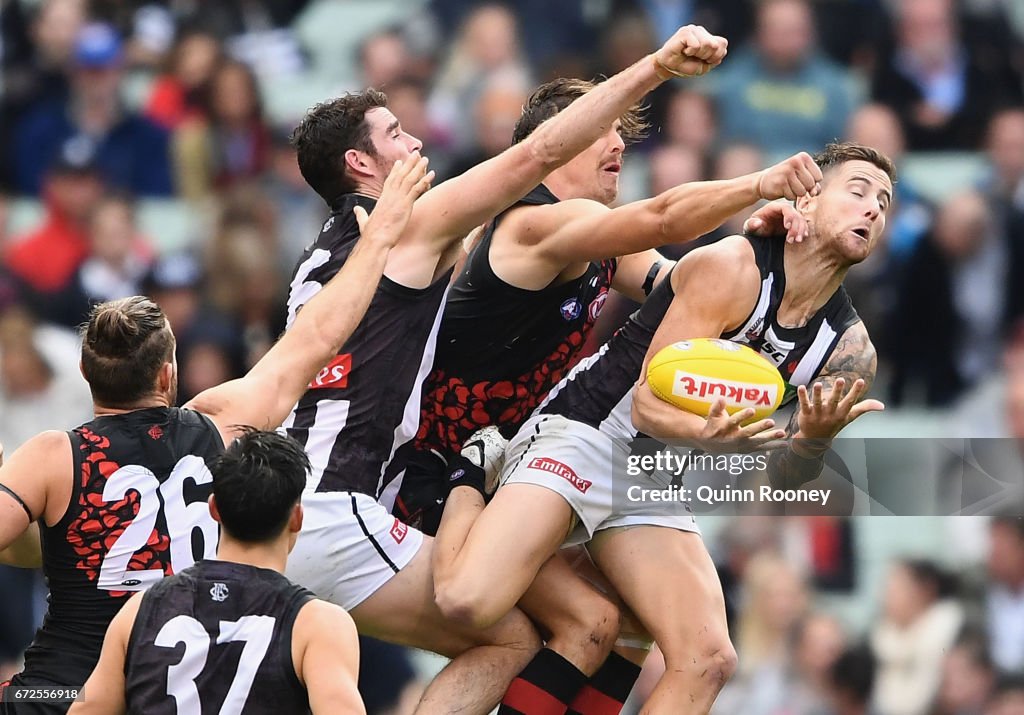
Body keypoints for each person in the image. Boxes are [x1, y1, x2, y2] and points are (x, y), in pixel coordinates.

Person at [280, 24, 731, 715]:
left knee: (618, 622)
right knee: (569, 625)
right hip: (393, 483)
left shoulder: (332, 253)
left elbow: (679, 281)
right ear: (360, 164)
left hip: (378, 480)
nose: (418, 143)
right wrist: (660, 70)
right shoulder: (417, 229)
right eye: (397, 133)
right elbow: (548, 154)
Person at [432, 142, 892, 713]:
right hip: (590, 433)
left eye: (884, 202)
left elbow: (785, 484)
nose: (873, 208)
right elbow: (649, 406)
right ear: (809, 195)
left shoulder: (849, 350)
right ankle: (472, 473)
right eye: (858, 190)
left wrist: (814, 440)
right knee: (473, 601)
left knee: (709, 658)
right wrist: (710, 438)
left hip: (658, 472)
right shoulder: (732, 266)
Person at [0, 155, 431, 714]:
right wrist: (382, 239)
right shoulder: (223, 427)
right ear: (167, 373)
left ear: (86, 374)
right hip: (169, 689)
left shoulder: (53, 456)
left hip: (64, 688)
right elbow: (320, 335)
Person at [69, 430, 364, 715]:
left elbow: (89, 706)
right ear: (297, 518)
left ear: (213, 508)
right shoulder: (317, 625)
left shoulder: (141, 609)